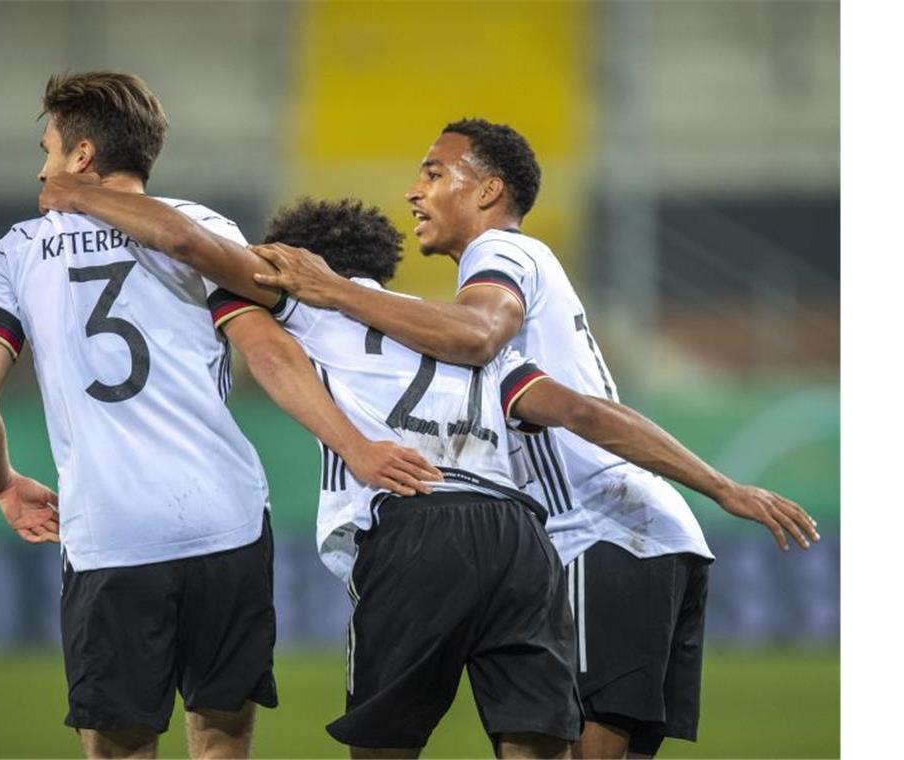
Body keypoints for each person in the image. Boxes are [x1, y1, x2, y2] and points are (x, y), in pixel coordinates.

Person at [246, 121, 820, 759]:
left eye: (434, 174)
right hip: (639, 533)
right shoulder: (507, 315)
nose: (414, 192)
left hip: (598, 530)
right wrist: (719, 488)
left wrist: (332, 289)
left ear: (489, 191)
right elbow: (585, 410)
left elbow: (482, 334)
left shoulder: (503, 254)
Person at [0, 71, 438, 760]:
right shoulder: (205, 230)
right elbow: (269, 355)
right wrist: (354, 446)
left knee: (119, 746)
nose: (42, 167)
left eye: (49, 149)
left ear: (82, 157)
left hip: (111, 532)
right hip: (225, 522)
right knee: (220, 736)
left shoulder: (19, 252)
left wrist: (2, 483)